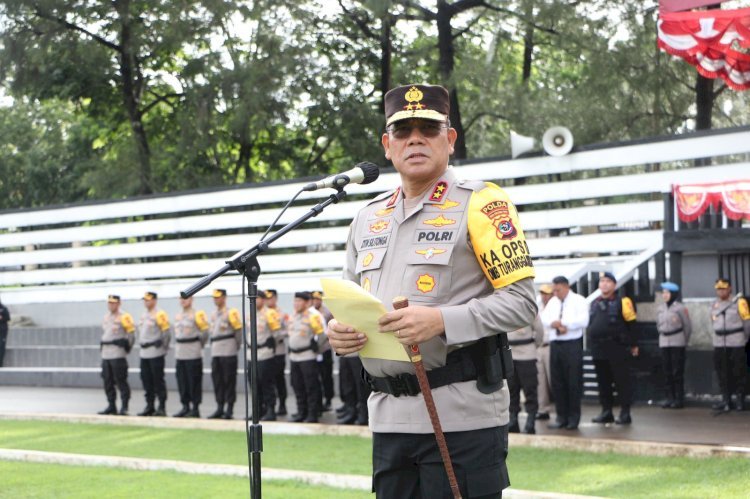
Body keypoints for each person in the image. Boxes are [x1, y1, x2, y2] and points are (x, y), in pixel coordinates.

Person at [327, 83, 537, 498]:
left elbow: (522, 302)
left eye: (429, 128)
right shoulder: (367, 218)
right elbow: (349, 303)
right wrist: (339, 331)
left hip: (461, 418)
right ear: (388, 145)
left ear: (450, 139)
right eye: (403, 132)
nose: (415, 139)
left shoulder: (482, 203)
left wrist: (441, 320)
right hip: (388, 418)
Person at [587, 272, 638, 425]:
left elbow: (632, 325)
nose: (604, 284)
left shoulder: (623, 301)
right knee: (603, 383)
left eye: (608, 281)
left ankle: (625, 413)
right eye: (602, 281)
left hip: (617, 349)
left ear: (614, 285)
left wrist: (634, 344)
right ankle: (606, 411)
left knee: (622, 382)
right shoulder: (595, 303)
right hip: (599, 349)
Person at [541, 275, 589, 430]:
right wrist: (553, 323)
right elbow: (543, 318)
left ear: (566, 287)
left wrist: (565, 323)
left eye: (558, 290)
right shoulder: (553, 302)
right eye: (554, 290)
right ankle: (561, 417)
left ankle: (573, 418)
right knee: (557, 382)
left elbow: (584, 320)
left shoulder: (579, 300)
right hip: (556, 344)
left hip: (572, 344)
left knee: (573, 382)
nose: (555, 293)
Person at [710, 278, 750, 412]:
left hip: (736, 340)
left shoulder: (739, 302)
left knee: (738, 371)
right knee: (722, 371)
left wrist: (745, 338)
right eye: (718, 289)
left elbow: (747, 323)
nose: (721, 291)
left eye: (723, 288)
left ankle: (739, 399)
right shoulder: (714, 304)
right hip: (719, 342)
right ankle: (725, 399)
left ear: (729, 289)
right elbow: (712, 321)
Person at [288, 291, 325, 423]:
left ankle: (312, 413)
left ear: (306, 302)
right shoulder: (292, 316)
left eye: (299, 301)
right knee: (297, 385)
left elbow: (322, 335)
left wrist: (316, 347)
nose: (296, 304)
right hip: (294, 357)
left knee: (311, 386)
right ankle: (301, 411)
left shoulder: (312, 316)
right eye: (295, 301)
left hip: (307, 356)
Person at [656, 281, 692, 409]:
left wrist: (684, 341)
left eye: (667, 293)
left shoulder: (680, 308)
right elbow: (658, 325)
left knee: (677, 371)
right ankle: (669, 398)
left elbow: (687, 326)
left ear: (673, 294)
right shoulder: (660, 308)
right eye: (663, 293)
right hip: (664, 341)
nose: (664, 295)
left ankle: (678, 398)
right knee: (667, 371)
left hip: (677, 341)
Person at [208, 288, 242, 419]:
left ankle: (229, 409)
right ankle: (220, 407)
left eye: (218, 297)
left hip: (228, 350)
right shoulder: (214, 314)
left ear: (224, 298)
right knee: (218, 380)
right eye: (214, 297)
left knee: (229, 380)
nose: (216, 300)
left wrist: (235, 346)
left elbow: (238, 332)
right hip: (216, 351)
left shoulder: (231, 313)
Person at [173, 295, 209, 418]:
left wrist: (198, 345)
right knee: (182, 382)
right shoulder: (178, 316)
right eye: (181, 298)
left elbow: (205, 333)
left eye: (186, 298)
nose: (183, 301)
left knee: (194, 381)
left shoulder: (197, 314)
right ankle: (185, 406)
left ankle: (195, 408)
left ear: (192, 299)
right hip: (180, 353)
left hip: (193, 353)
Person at [98, 295, 135, 415]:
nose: (111, 305)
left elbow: (131, 335)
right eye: (109, 303)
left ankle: (124, 406)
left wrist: (127, 348)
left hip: (117, 353)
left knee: (121, 381)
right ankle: (111, 405)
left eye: (114, 303)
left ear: (119, 304)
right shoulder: (106, 317)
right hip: (106, 354)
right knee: (107, 381)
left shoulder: (124, 317)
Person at [507, 316, 544, 434]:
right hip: (510, 354)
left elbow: (539, 332)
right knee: (512, 390)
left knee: (530, 389)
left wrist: (532, 346)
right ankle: (513, 420)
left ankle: (531, 421)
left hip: (527, 355)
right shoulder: (506, 308)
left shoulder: (529, 309)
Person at [137, 291, 171, 417]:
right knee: (147, 380)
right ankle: (149, 405)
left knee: (158, 381)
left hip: (156, 352)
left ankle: (161, 406)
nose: (146, 302)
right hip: (144, 353)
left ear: (154, 300)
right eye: (145, 300)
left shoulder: (160, 314)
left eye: (148, 300)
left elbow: (166, 334)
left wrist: (163, 349)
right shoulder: (144, 315)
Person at [252, 290, 282, 421]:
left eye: (258, 298)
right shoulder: (251, 314)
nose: (255, 301)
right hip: (251, 354)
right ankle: (258, 410)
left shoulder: (270, 314)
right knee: (254, 384)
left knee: (266, 384)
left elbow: (278, 334)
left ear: (263, 300)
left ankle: (270, 410)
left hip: (265, 353)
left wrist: (272, 343)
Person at [266, 289, 290, 416]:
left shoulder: (282, 314)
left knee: (279, 379)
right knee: (267, 381)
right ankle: (268, 406)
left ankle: (282, 404)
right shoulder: (262, 313)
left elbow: (288, 330)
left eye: (270, 298)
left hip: (278, 351)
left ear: (275, 298)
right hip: (265, 351)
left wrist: (277, 337)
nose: (268, 301)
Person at [312, 290, 335, 412]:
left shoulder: (327, 312)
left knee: (326, 376)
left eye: (318, 299)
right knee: (316, 376)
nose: (316, 301)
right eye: (314, 299)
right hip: (313, 350)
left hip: (324, 348)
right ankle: (318, 401)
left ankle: (328, 399)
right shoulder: (310, 312)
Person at [535, 284, 554, 421]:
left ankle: (561, 409)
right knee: (540, 380)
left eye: (547, 293)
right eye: (542, 293)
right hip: (538, 345)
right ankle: (543, 409)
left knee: (554, 379)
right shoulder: (537, 304)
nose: (544, 295)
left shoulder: (555, 304)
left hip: (551, 345)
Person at [0, 297, 10, 367]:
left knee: (1, 346)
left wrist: (2, 318)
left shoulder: (3, 308)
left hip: (2, 330)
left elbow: (8, 318)